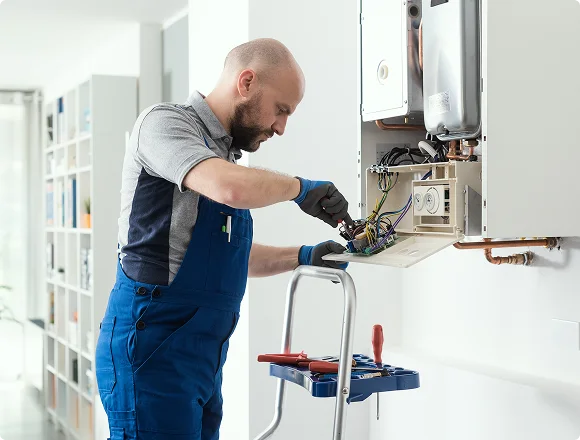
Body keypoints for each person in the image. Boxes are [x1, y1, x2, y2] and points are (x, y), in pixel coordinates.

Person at [95, 38, 352, 440]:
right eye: (281, 110)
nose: (281, 127)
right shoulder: (165, 124)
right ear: (246, 82)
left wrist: (304, 255)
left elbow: (231, 257)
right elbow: (230, 188)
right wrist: (300, 188)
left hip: (202, 360)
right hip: (151, 352)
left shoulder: (227, 158)